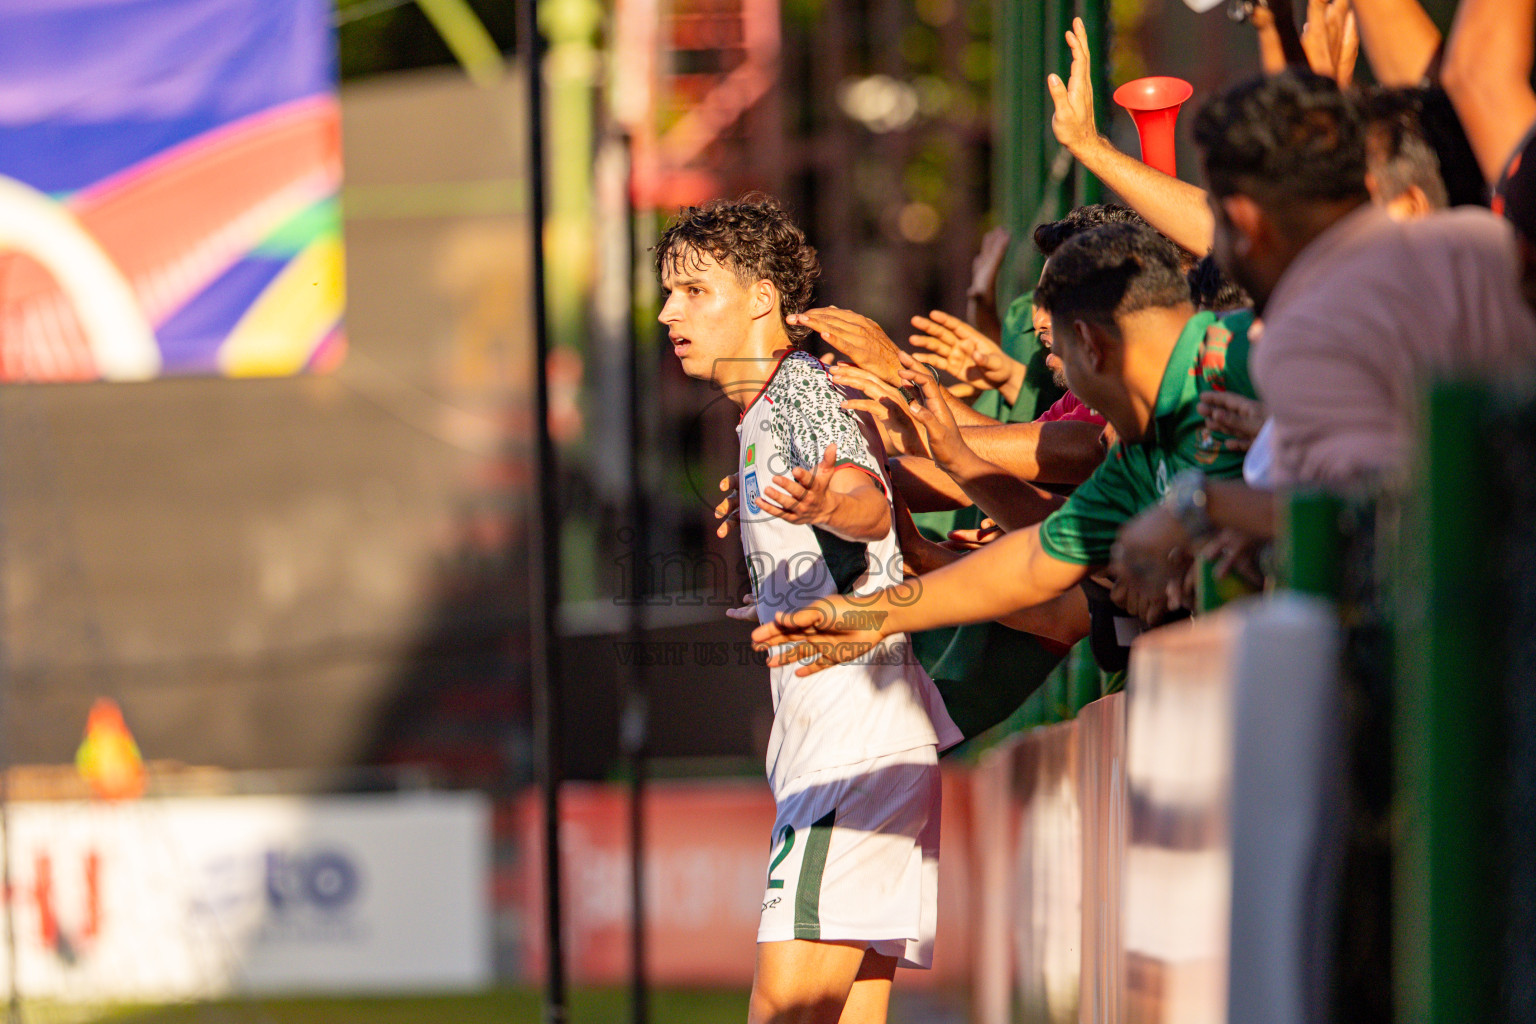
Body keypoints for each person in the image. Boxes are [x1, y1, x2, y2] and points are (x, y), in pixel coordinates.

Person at [655, 195, 966, 1024]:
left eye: (693, 291)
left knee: (784, 1009)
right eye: (668, 293)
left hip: (850, 753)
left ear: (762, 298)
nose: (669, 312)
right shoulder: (764, 410)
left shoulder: (796, 392)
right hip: (856, 747)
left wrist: (832, 500)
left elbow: (864, 500)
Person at [750, 221, 1258, 673]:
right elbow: (1037, 559)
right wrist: (875, 614)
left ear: (1088, 343)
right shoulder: (1133, 457)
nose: (1064, 386)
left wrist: (1195, 513)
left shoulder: (1247, 356)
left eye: (1056, 354)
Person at [1111, 71, 1536, 608]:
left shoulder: (1302, 336)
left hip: (1463, 637)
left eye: (1215, 217)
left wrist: (1199, 504)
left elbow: (1376, 520)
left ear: (1244, 221)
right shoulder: (1480, 239)